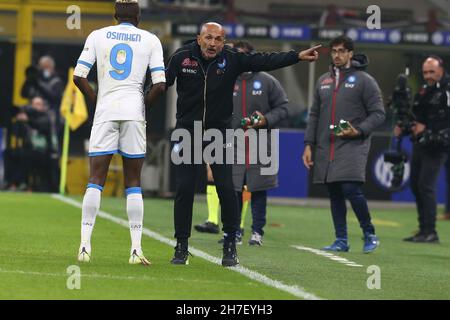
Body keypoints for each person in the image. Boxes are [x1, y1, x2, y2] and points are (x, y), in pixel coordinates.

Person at [165, 22, 320, 266]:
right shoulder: (182, 57)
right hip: (188, 131)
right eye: (208, 38)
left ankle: (229, 244)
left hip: (220, 132)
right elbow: (161, 82)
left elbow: (264, 60)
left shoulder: (232, 59)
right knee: (184, 189)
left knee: (227, 188)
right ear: (198, 38)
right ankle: (181, 246)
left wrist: (296, 57)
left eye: (218, 39)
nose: (213, 43)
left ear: (224, 42)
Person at [73, 0, 166, 265]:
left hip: (106, 112)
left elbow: (79, 77)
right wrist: (141, 105)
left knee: (95, 179)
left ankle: (84, 246)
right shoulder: (150, 40)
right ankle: (136, 249)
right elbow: (160, 85)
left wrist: (97, 101)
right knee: (133, 182)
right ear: (138, 16)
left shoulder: (97, 35)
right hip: (134, 112)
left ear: (114, 15)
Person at [303, 36, 385, 253]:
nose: (337, 55)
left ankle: (369, 233)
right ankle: (341, 240)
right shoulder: (323, 81)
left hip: (353, 144)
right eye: (334, 51)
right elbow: (314, 115)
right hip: (325, 145)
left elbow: (378, 114)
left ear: (350, 53)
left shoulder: (364, 80)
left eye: (341, 51)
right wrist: (308, 144)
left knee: (350, 187)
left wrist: (359, 130)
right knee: (335, 192)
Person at [398, 56, 450, 243]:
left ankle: (431, 231)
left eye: (432, 72)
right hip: (421, 143)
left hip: (439, 146)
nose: (428, 76)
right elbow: (416, 117)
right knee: (416, 185)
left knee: (426, 186)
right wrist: (406, 126)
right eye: (426, 72)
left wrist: (427, 130)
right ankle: (423, 229)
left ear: (441, 71)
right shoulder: (423, 90)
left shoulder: (447, 90)